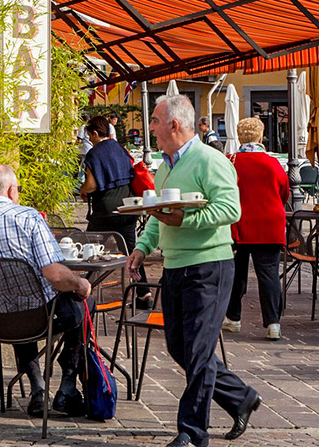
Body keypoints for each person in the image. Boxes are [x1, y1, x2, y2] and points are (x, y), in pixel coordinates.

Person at [127, 96, 261, 445]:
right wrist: (142, 248)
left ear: (174, 124)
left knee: (199, 353)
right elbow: (158, 213)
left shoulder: (210, 160)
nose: (150, 128)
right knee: (178, 347)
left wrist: (186, 218)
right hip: (174, 266)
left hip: (209, 266)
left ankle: (191, 433)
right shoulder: (164, 166)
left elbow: (230, 210)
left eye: (155, 121)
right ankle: (240, 397)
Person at [0, 164, 93, 417]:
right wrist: (80, 284)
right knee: (83, 301)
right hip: (40, 317)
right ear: (11, 190)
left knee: (18, 301)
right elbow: (54, 274)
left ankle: (38, 388)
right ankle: (68, 387)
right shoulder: (27, 218)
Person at [223, 117, 289, 341]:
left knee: (236, 273)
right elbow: (284, 192)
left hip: (238, 224)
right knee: (269, 274)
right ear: (261, 137)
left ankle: (233, 318)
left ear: (240, 137)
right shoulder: (273, 163)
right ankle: (273, 324)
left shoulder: (230, 161)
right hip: (269, 224)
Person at [78, 116, 152, 307]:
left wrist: (83, 190)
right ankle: (144, 294)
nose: (90, 141)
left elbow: (92, 184)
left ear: (94, 133)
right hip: (127, 207)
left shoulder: (94, 154)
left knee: (90, 254)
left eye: (90, 136)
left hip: (105, 210)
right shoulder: (120, 148)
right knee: (132, 252)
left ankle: (82, 292)